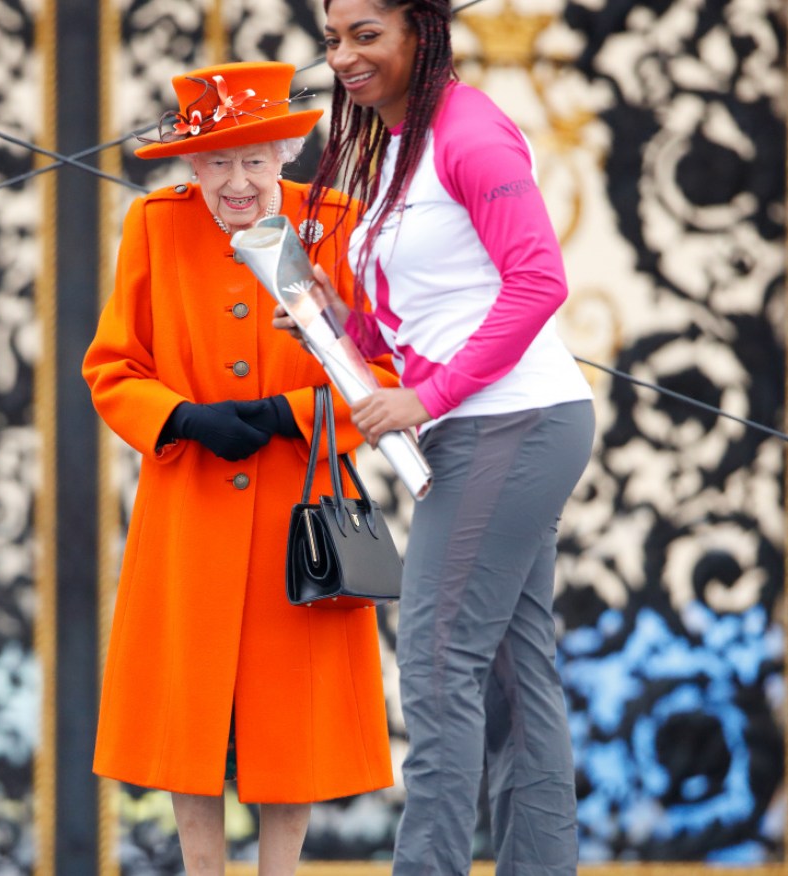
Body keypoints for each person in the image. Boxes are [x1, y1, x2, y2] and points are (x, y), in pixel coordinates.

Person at [282, 1, 596, 873]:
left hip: (513, 424)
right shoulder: (395, 150)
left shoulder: (470, 133)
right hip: (493, 427)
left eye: (365, 35)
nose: (343, 56)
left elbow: (537, 283)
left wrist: (424, 397)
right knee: (509, 673)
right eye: (332, 39)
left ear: (421, 31)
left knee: (434, 665)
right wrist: (332, 323)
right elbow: (421, 307)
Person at [84, 61, 396, 875]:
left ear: (288, 152)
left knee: (286, 715)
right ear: (192, 165)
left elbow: (386, 371)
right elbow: (112, 368)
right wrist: (181, 417)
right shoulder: (154, 225)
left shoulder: (336, 224)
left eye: (255, 157)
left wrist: (282, 415)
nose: (237, 180)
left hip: (297, 504)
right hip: (188, 499)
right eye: (218, 161)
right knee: (191, 714)